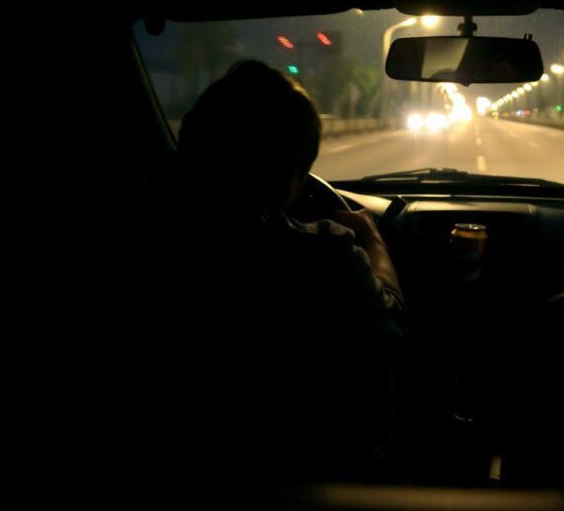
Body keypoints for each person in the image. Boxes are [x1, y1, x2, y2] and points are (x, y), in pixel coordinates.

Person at [153, 60, 406, 487]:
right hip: (325, 480)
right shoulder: (324, 253)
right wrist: (372, 240)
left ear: (190, 134)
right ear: (293, 173)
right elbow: (391, 327)